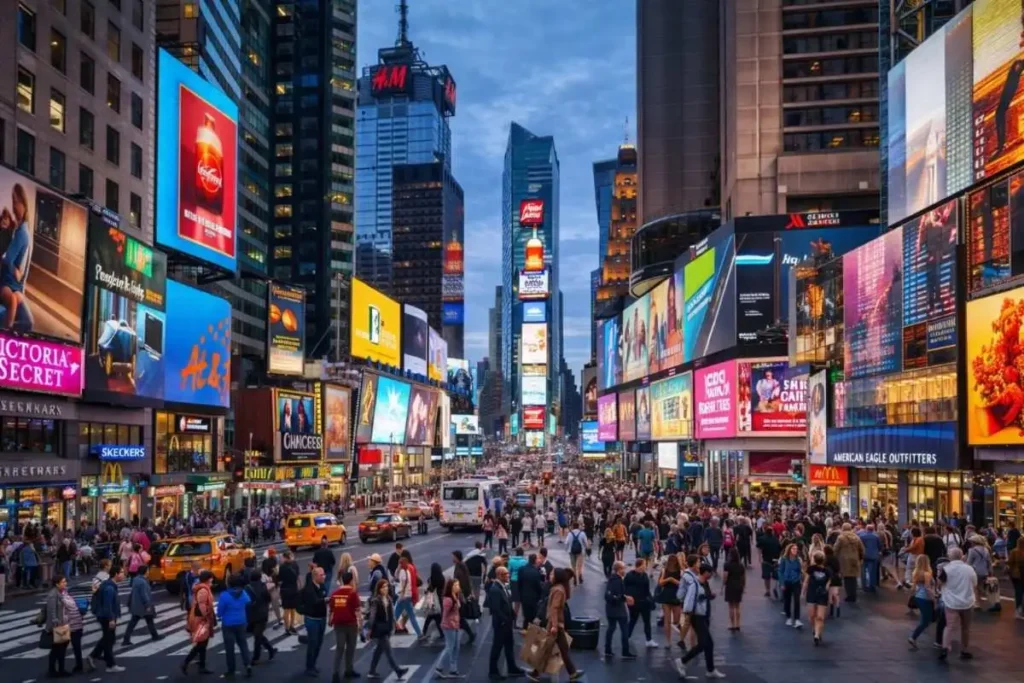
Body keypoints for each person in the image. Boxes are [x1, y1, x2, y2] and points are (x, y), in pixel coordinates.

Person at [674, 562, 724, 679]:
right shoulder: (694, 585)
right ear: (705, 573)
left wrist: (709, 596)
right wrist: (687, 618)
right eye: (710, 573)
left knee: (709, 644)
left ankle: (710, 669)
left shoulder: (705, 583)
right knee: (703, 644)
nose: (711, 575)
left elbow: (703, 597)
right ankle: (682, 661)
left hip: (704, 615)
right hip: (697, 616)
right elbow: (688, 601)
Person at [486, 566, 526, 680]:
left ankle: (512, 668)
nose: (508, 576)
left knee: (509, 646)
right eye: (505, 574)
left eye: (508, 574)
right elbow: (496, 609)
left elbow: (508, 602)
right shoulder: (495, 589)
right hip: (501, 625)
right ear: (499, 575)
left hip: (507, 624)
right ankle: (493, 672)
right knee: (497, 648)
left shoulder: (503, 587)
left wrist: (513, 615)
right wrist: (505, 621)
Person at [938, 548, 976, 661]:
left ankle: (945, 648)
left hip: (951, 602)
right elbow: (974, 583)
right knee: (965, 628)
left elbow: (940, 583)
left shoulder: (946, 569)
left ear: (950, 557)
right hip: (967, 601)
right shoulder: (969, 569)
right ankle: (964, 650)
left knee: (949, 626)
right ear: (962, 556)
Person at [366, 578, 407, 680]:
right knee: (388, 651)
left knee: (378, 651)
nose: (386, 588)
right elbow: (372, 616)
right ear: (379, 589)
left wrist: (396, 623)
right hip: (379, 630)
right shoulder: (376, 601)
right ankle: (398, 671)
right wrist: (369, 629)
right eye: (383, 587)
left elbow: (392, 614)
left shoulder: (388, 599)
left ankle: (371, 671)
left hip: (387, 628)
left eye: (387, 586)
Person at [88, 565, 125, 673]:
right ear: (116, 574)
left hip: (104, 615)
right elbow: (107, 605)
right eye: (122, 572)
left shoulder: (109, 584)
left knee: (109, 639)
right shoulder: (109, 587)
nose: (123, 574)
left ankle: (95, 655)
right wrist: (111, 619)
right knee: (109, 640)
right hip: (106, 616)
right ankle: (110, 665)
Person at [329, 568, 362, 682]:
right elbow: (357, 611)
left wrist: (330, 621)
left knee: (339, 648)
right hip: (351, 624)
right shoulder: (353, 594)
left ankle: (335, 673)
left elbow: (332, 610)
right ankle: (349, 669)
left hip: (338, 625)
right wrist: (361, 626)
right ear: (351, 581)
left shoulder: (334, 594)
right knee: (350, 648)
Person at [217, 574, 253, 678]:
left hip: (228, 623)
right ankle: (248, 664)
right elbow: (248, 602)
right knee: (243, 644)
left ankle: (231, 670)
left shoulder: (224, 595)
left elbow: (219, 612)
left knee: (229, 648)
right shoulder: (243, 593)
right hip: (241, 622)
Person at [182, 571, 216, 675]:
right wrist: (206, 616)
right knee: (201, 644)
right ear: (208, 579)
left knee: (203, 644)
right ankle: (186, 663)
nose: (212, 580)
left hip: (200, 619)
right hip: (201, 620)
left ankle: (201, 666)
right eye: (211, 578)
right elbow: (202, 606)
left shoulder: (203, 588)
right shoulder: (203, 590)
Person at [44, 574, 78, 677]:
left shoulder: (60, 592)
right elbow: (51, 611)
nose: (65, 583)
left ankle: (56, 670)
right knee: (58, 649)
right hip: (58, 626)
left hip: (63, 624)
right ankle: (56, 670)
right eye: (63, 582)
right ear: (57, 584)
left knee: (59, 648)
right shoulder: (53, 595)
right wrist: (56, 624)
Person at [300, 565, 329, 676]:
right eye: (322, 575)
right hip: (312, 619)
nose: (324, 577)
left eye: (324, 575)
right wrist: (324, 600)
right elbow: (315, 601)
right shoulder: (309, 588)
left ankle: (313, 665)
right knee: (313, 643)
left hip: (321, 618)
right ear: (315, 576)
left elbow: (324, 594)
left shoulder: (321, 585)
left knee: (319, 643)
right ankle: (309, 667)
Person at [122, 565, 162, 645]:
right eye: (148, 570)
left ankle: (126, 639)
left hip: (136, 605)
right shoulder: (143, 582)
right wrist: (147, 605)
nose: (148, 572)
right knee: (148, 620)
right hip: (143, 606)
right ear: (145, 571)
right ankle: (155, 636)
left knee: (134, 622)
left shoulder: (136, 579)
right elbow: (144, 594)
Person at [604, 560, 635, 660]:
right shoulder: (619, 581)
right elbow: (619, 595)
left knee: (611, 628)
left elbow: (610, 595)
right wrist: (626, 598)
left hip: (610, 609)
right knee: (624, 630)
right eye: (623, 568)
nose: (624, 570)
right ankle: (625, 651)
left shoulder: (611, 580)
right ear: (619, 569)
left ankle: (607, 649)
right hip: (619, 610)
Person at [625, 557, 658, 648]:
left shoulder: (644, 575)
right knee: (633, 620)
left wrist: (651, 600)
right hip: (634, 603)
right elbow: (625, 588)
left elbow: (647, 590)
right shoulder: (630, 575)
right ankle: (626, 637)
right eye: (644, 565)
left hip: (644, 602)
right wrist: (628, 598)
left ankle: (649, 640)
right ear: (639, 566)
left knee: (646, 622)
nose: (645, 566)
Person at [246, 567, 276, 665]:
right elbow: (268, 598)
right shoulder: (263, 586)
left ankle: (257, 656)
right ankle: (264, 652)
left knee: (257, 635)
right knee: (258, 635)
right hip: (262, 613)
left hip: (251, 614)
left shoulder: (247, 588)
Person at [436, 578, 465, 679]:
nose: (458, 587)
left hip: (455, 624)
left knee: (456, 647)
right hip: (449, 626)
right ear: (450, 587)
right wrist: (444, 624)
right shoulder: (448, 599)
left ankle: (453, 669)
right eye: (456, 585)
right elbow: (445, 614)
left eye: (458, 585)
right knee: (450, 647)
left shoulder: (455, 596)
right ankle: (439, 666)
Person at [803, 551, 831, 645]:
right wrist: (803, 592)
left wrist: (829, 595)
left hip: (822, 595)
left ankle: (817, 635)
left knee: (820, 617)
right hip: (811, 593)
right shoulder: (810, 569)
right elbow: (806, 581)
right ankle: (815, 629)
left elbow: (828, 585)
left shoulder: (827, 571)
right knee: (811, 616)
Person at [907, 555, 935, 649]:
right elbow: (927, 587)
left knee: (925, 620)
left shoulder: (916, 572)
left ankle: (913, 638)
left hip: (918, 597)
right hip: (925, 598)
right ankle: (913, 637)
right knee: (926, 621)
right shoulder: (927, 573)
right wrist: (933, 597)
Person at [834, 523, 865, 603]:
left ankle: (849, 595)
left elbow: (835, 549)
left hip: (844, 561)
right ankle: (854, 595)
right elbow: (862, 549)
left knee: (847, 578)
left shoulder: (841, 537)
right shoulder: (856, 537)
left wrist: (835, 558)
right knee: (853, 578)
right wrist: (861, 558)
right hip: (855, 559)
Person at [393, 555, 422, 638]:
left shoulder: (403, 572)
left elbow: (402, 583)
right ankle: (419, 633)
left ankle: (386, 632)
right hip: (408, 596)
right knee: (402, 615)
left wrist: (401, 596)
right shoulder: (408, 570)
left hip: (404, 597)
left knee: (396, 615)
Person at [657, 553, 683, 646]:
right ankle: (669, 641)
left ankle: (673, 640)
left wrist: (672, 580)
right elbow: (660, 583)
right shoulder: (665, 570)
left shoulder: (680, 571)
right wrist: (669, 579)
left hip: (674, 595)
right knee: (668, 621)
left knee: (676, 620)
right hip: (670, 595)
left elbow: (682, 583)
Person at [778, 542, 804, 628]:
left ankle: (797, 619)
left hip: (796, 581)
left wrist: (801, 578)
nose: (795, 550)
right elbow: (780, 571)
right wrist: (782, 583)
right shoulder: (784, 559)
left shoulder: (798, 560)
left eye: (796, 549)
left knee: (797, 600)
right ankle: (789, 617)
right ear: (789, 550)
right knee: (787, 600)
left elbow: (801, 571)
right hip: (787, 581)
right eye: (793, 549)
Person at [422, 563, 446, 641]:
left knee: (430, 617)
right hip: (440, 599)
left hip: (433, 600)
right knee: (437, 617)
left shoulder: (431, 579)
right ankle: (442, 633)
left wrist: (426, 590)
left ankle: (424, 633)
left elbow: (430, 590)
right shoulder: (442, 578)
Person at [723, 547, 745, 632]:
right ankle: (738, 624)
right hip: (738, 585)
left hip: (730, 586)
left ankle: (732, 624)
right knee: (737, 606)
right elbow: (743, 577)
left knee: (731, 606)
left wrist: (724, 584)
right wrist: (743, 586)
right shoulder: (741, 565)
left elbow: (725, 577)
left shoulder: (727, 565)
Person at [279, 551, 301, 635]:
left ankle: (286, 627)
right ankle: (292, 625)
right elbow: (298, 576)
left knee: (286, 610)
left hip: (285, 589)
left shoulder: (282, 567)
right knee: (293, 609)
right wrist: (299, 586)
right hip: (293, 588)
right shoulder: (295, 564)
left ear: (285, 557)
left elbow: (279, 578)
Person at [756, 526, 781, 597]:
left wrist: (759, 558)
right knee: (776, 576)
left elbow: (759, 548)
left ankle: (767, 590)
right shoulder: (776, 539)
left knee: (766, 577)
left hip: (766, 560)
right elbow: (779, 548)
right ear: (772, 532)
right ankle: (775, 588)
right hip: (775, 560)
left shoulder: (762, 539)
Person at [1009, 536, 1024, 619]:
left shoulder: (1014, 551)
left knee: (1018, 592)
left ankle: (1018, 610)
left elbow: (1010, 563)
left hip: (1016, 574)